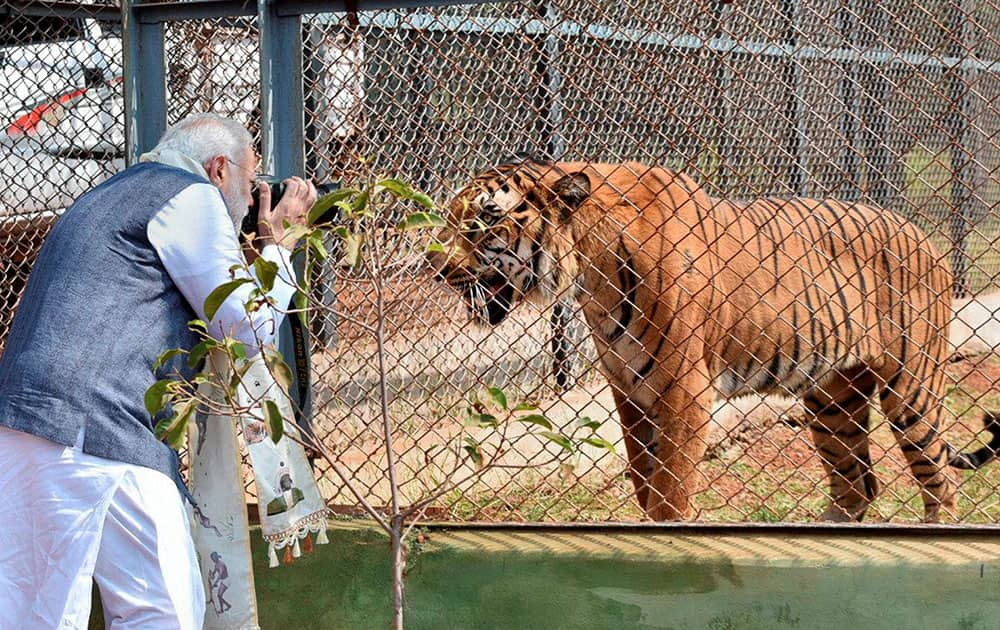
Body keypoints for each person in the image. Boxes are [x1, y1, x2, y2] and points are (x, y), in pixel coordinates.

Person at [0, 113, 317, 628]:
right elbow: (244, 324)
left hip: (26, 423)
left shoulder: (108, 192)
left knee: (34, 614)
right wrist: (279, 245)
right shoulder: (190, 194)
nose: (252, 196)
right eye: (251, 178)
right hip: (103, 431)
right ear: (219, 169)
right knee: (163, 611)